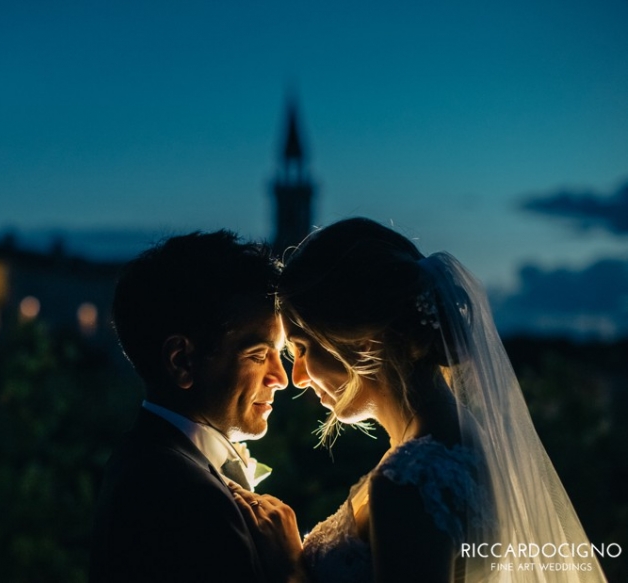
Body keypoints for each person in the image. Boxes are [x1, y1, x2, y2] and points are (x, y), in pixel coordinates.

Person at [231, 217, 606, 582]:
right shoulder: (464, 442)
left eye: (302, 349)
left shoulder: (409, 482)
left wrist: (290, 572)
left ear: (362, 340)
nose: (297, 376)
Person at [89, 230, 301, 583]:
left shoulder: (147, 461)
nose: (281, 378)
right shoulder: (184, 495)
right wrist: (291, 574)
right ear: (182, 360)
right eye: (258, 355)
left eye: (280, 355)